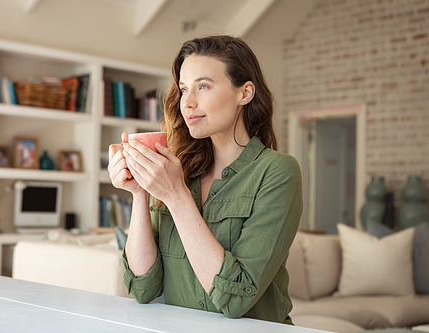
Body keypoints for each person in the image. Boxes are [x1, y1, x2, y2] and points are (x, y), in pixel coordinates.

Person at [108, 35, 302, 324]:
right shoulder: (179, 172)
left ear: (245, 93)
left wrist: (176, 196)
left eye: (203, 86)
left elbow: (236, 299)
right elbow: (143, 287)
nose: (188, 102)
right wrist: (140, 193)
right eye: (184, 89)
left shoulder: (277, 172)